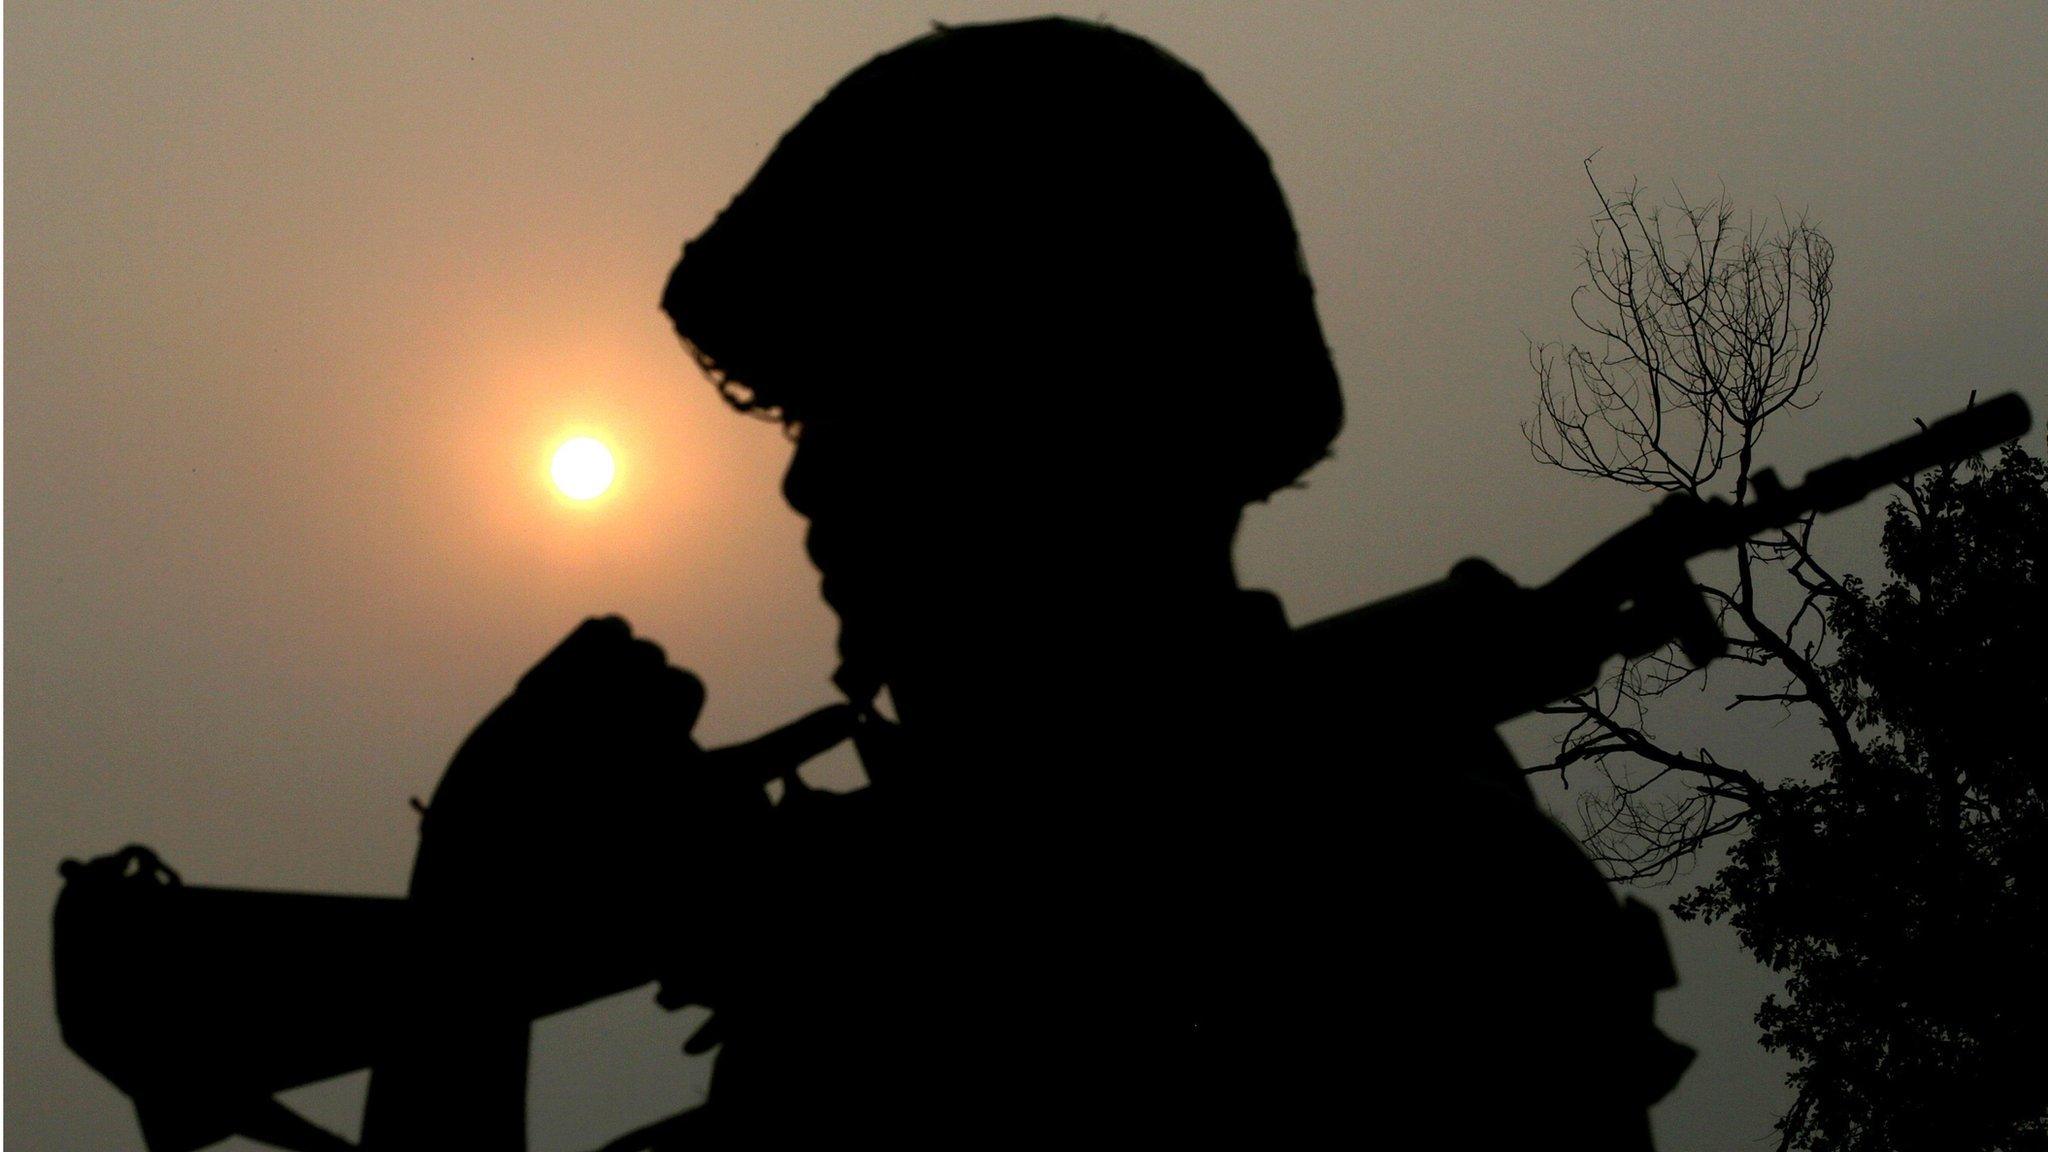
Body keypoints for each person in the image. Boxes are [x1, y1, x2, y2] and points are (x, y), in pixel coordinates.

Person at [368, 17, 1688, 1148]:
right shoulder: (907, 914)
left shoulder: (1419, 919)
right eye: (802, 418)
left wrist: (464, 947)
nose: (804, 486)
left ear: (1065, 412)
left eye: (872, 404)